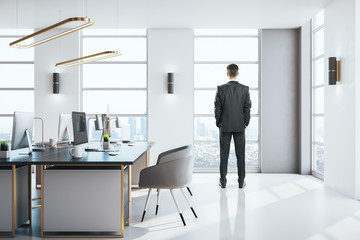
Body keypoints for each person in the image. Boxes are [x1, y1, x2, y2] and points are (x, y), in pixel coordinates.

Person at [214, 64, 251, 189]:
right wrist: (245, 123)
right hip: (240, 126)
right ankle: (241, 182)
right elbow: (247, 108)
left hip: (225, 126)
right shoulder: (245, 89)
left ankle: (223, 182)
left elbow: (217, 109)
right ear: (238, 73)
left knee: (224, 155)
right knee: (240, 155)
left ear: (227, 73)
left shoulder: (220, 89)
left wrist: (219, 123)